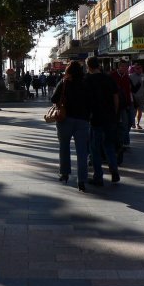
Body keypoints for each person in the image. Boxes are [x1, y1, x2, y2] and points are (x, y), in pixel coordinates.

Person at [51, 61, 90, 192]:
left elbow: (53, 98)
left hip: (65, 119)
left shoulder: (64, 82)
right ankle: (82, 181)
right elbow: (92, 101)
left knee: (64, 147)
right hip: (83, 120)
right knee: (82, 152)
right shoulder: (86, 83)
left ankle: (65, 173)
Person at [85, 56, 121, 186]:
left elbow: (85, 101)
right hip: (110, 117)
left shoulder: (87, 80)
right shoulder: (108, 78)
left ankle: (98, 176)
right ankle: (114, 170)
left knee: (95, 148)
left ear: (88, 66)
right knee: (109, 145)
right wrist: (115, 113)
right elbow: (116, 97)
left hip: (95, 118)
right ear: (99, 65)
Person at [110, 59, 133, 152]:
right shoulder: (112, 76)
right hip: (118, 104)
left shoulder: (127, 77)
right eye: (122, 66)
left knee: (130, 122)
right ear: (118, 67)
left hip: (127, 103)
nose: (124, 68)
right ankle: (124, 142)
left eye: (126, 67)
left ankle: (123, 139)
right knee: (123, 123)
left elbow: (129, 91)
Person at [129, 63, 144, 129]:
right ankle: (133, 123)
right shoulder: (131, 76)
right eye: (137, 68)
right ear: (134, 69)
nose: (139, 70)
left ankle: (138, 123)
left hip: (142, 95)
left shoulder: (143, 75)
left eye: (140, 68)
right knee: (134, 111)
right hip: (134, 96)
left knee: (140, 110)